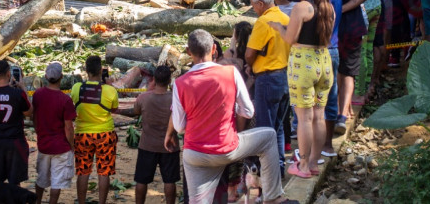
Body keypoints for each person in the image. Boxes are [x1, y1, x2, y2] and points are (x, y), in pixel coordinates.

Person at [167, 29, 289, 204]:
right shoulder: (231, 72)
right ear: (214, 49)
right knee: (269, 136)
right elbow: (248, 111)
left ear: (188, 52)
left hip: (195, 153)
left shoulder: (180, 83)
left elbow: (179, 127)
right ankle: (272, 197)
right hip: (227, 148)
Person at [268, 0, 335, 178]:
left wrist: (279, 28)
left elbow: (290, 38)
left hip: (303, 63)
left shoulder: (302, 7)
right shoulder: (328, 7)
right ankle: (314, 162)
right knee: (318, 116)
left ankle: (303, 165)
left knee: (304, 118)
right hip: (324, 61)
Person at [318, 0, 368, 135]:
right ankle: (343, 114)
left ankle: (331, 113)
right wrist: (346, 7)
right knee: (348, 70)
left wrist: (338, 10)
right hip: (354, 26)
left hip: (331, 28)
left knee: (333, 69)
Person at [300, 0, 343, 157]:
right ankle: (327, 146)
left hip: (314, 54)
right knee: (329, 100)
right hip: (332, 49)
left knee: (311, 110)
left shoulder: (309, 2)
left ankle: (308, 156)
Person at [245, 0, 290, 177]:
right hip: (285, 76)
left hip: (268, 79)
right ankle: (279, 168)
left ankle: (269, 175)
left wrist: (249, 65)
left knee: (265, 129)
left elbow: (249, 54)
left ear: (261, 4)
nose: (254, 9)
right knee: (278, 128)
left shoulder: (264, 22)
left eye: (254, 5)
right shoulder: (286, 18)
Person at [118, 65, 178, 204]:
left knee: (141, 180)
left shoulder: (143, 98)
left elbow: (136, 111)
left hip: (147, 145)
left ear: (154, 79)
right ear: (169, 80)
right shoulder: (175, 99)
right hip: (170, 145)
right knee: (170, 180)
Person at [70, 55, 119, 204]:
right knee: (104, 172)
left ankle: (82, 201)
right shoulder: (110, 90)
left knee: (83, 171)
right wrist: (107, 84)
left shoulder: (76, 88)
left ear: (86, 70)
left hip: (82, 134)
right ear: (101, 70)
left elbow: (73, 106)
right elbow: (114, 109)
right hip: (105, 134)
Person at [0, 60, 32, 185]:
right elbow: (28, 112)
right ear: (9, 74)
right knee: (14, 183)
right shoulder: (18, 94)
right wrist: (23, 88)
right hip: (15, 141)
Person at [32, 62, 76, 204]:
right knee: (57, 182)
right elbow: (68, 128)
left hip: (44, 144)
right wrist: (72, 145)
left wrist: (39, 132)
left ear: (45, 76)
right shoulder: (65, 100)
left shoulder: (38, 95)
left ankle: (37, 201)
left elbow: (34, 117)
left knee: (41, 178)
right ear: (61, 77)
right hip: (61, 147)